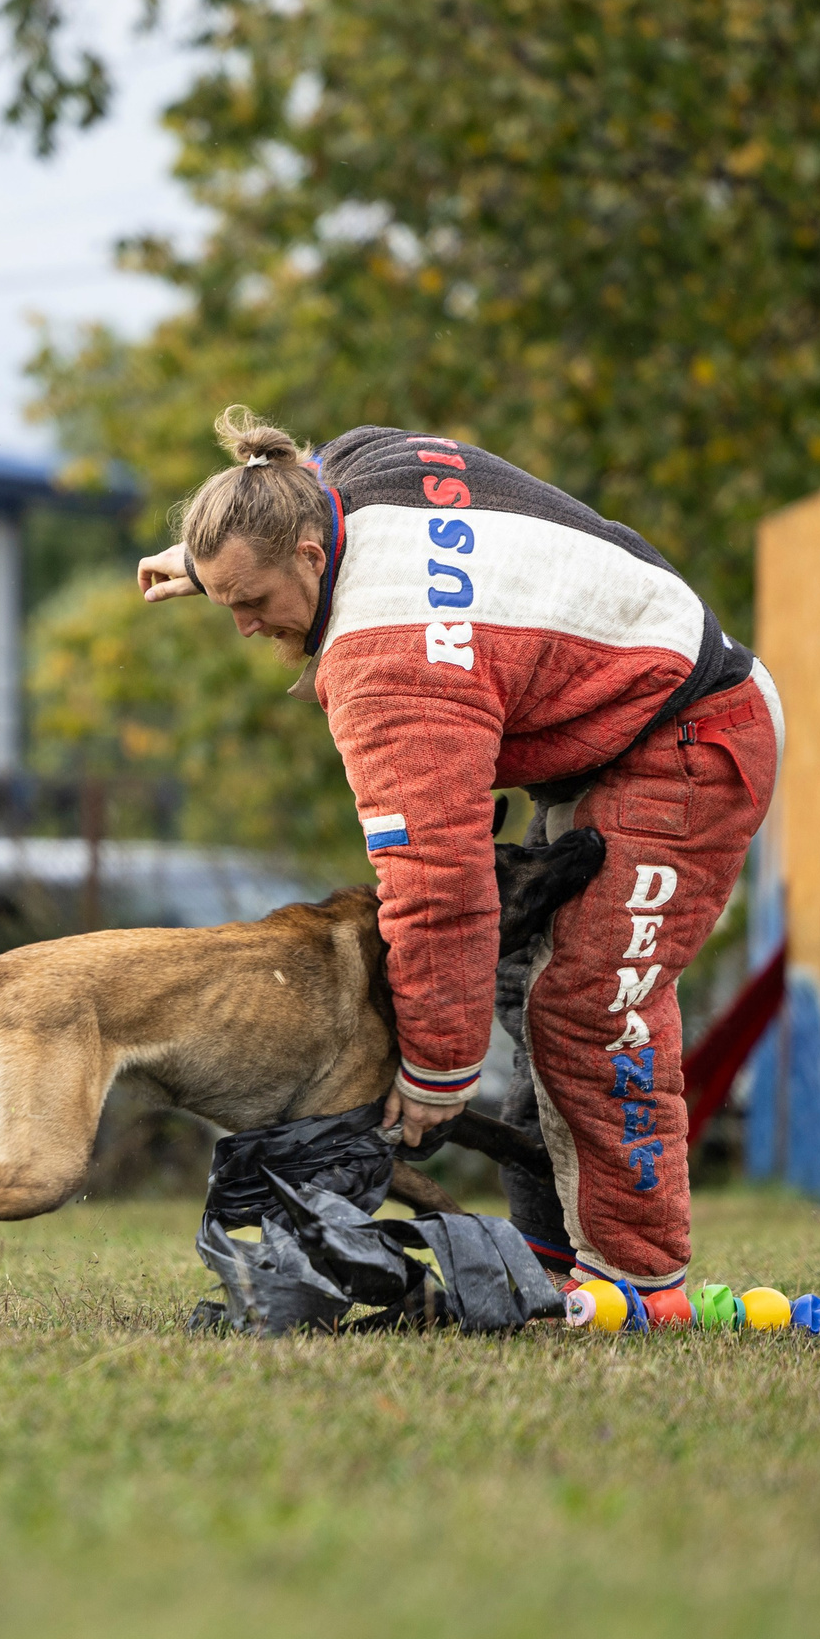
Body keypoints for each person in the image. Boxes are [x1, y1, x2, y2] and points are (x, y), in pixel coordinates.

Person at [137, 408, 781, 1319]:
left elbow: (440, 885)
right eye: (227, 601)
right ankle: (551, 1262)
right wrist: (211, 566)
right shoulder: (358, 470)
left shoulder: (388, 665)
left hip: (690, 738)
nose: (244, 625)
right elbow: (287, 492)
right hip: (620, 716)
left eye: (252, 602)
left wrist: (438, 1073)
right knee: (530, 994)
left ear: (314, 558)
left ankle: (639, 1286)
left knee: (594, 1006)